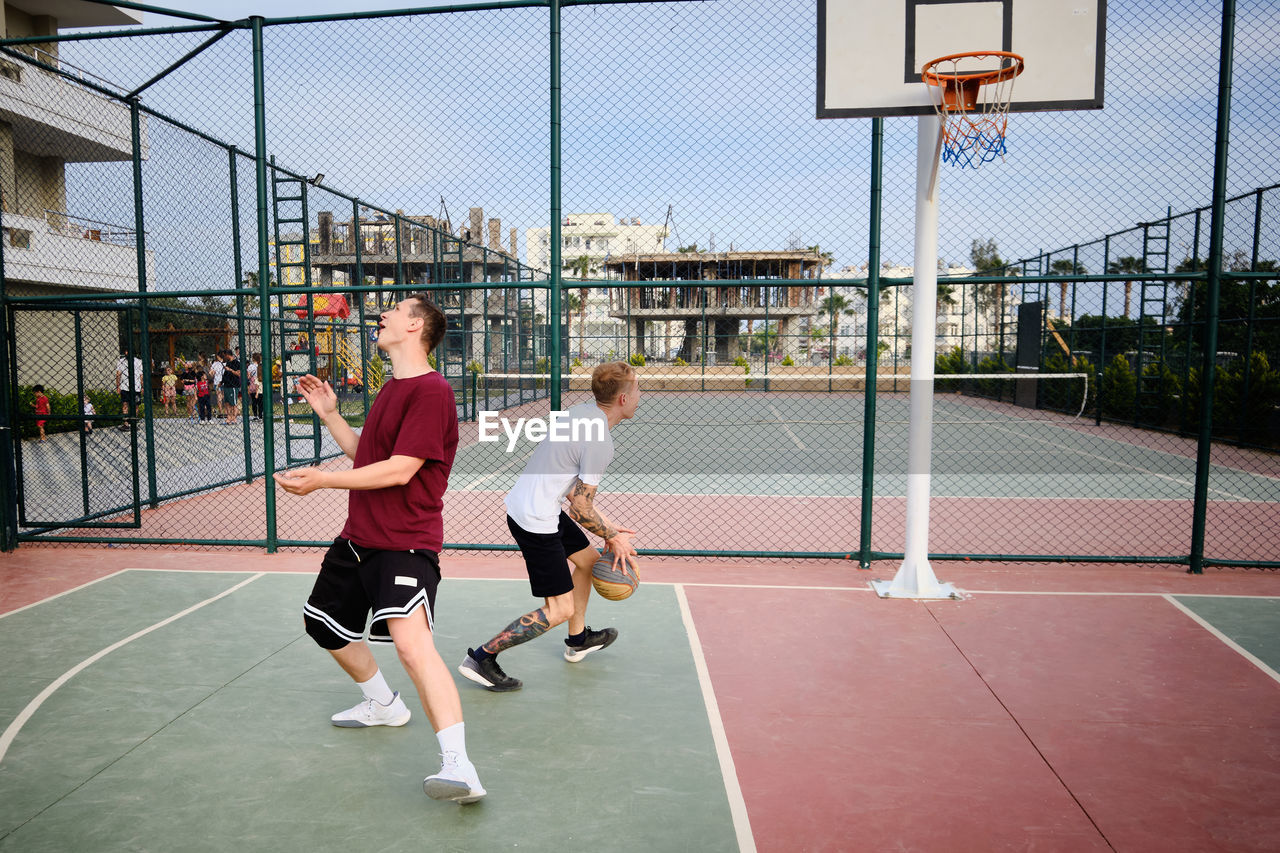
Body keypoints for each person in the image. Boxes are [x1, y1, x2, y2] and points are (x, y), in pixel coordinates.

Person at [273, 294, 484, 805]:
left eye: (393, 309)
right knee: (321, 623)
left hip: (404, 543)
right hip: (359, 538)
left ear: (415, 326)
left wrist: (324, 480)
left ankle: (460, 766)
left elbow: (400, 469)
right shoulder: (393, 388)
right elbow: (369, 453)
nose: (382, 314)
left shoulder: (432, 392)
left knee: (413, 646)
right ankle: (383, 704)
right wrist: (328, 414)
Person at [457, 360, 640, 693]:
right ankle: (481, 657)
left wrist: (611, 532)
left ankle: (578, 639)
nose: (639, 394)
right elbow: (582, 507)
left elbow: (572, 494)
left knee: (587, 561)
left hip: (539, 505)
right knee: (558, 608)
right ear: (624, 399)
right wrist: (613, 537)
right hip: (535, 520)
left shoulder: (581, 412)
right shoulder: (600, 442)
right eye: (637, 388)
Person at [115, 350, 145, 432]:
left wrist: (142, 386)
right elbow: (118, 374)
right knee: (125, 404)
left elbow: (141, 375)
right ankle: (126, 424)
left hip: (136, 387)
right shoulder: (121, 361)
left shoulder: (138, 361)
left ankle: (133, 423)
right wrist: (118, 386)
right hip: (125, 387)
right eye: (126, 351)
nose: (127, 353)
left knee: (136, 405)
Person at [222, 348, 242, 425]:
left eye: (225, 356)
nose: (224, 357)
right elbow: (225, 374)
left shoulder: (237, 363)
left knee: (233, 403)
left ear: (228, 355)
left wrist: (230, 370)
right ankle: (229, 417)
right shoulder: (227, 363)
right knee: (227, 402)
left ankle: (234, 418)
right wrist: (222, 381)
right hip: (226, 385)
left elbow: (238, 374)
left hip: (233, 385)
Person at [247, 353, 263, 420]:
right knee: (260, 402)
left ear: (253, 358)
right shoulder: (261, 366)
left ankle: (255, 415)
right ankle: (260, 415)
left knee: (254, 401)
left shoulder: (250, 366)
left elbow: (248, 376)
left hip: (253, 383)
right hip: (260, 383)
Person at [210, 351, 225, 420]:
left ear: (218, 356)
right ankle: (227, 411)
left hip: (217, 382)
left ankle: (221, 411)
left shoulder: (215, 364)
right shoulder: (226, 363)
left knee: (219, 397)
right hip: (225, 382)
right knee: (224, 396)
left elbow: (211, 373)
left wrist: (214, 373)